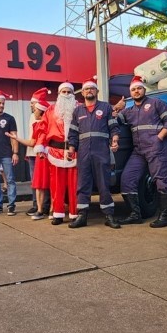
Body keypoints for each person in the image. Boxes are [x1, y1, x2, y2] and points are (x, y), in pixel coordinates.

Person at [113, 75, 167, 228]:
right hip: (139, 151)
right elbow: (113, 119)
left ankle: (164, 216)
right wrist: (117, 107)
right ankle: (135, 214)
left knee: (161, 180)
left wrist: (158, 138)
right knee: (127, 179)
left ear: (144, 89)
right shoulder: (129, 111)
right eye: (133, 89)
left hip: (157, 148)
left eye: (139, 88)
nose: (136, 91)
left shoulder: (156, 103)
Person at [67, 76, 121, 229]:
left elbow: (114, 127)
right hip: (83, 153)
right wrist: (71, 148)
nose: (89, 91)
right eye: (86, 89)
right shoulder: (78, 110)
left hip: (101, 151)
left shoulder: (106, 107)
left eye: (91, 88)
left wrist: (115, 139)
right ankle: (82, 216)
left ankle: (109, 215)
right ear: (82, 93)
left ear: (96, 91)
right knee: (83, 184)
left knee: (104, 184)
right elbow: (73, 132)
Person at [37, 82, 78, 225]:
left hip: (75, 152)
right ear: (59, 94)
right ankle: (58, 214)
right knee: (56, 185)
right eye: (64, 92)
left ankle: (74, 214)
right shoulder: (50, 110)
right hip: (55, 152)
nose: (66, 95)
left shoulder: (79, 109)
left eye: (69, 92)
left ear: (73, 94)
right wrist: (40, 147)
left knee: (74, 186)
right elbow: (42, 129)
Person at [5, 94, 51, 221]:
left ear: (41, 110)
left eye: (34, 106)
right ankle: (40, 208)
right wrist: (16, 138)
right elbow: (32, 142)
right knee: (38, 183)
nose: (32, 108)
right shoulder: (36, 123)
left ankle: (50, 209)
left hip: (49, 157)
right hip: (39, 156)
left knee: (49, 184)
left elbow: (33, 142)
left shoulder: (49, 124)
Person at [26, 88, 51, 217]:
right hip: (33, 153)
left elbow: (33, 140)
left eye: (33, 103)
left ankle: (45, 207)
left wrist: (16, 138)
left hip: (42, 153)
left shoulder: (44, 121)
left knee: (43, 182)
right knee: (36, 182)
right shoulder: (32, 117)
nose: (31, 105)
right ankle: (38, 206)